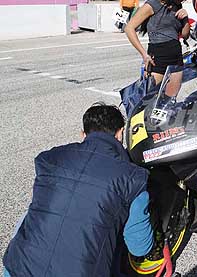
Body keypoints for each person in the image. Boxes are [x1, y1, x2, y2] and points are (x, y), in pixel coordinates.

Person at [2, 104, 149, 277]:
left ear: (83, 134)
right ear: (120, 133)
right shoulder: (132, 177)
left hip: (17, 269)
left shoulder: (50, 160)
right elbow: (139, 247)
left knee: (32, 214)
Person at [125, 0, 194, 86]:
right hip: (158, 56)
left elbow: (185, 35)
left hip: (176, 56)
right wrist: (144, 55)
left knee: (169, 100)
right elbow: (129, 28)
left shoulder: (178, 7)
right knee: (149, 98)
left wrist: (185, 19)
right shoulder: (153, 4)